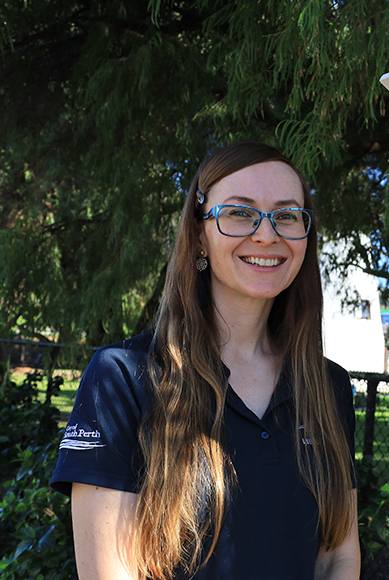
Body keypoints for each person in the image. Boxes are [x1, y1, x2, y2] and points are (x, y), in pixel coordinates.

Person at [50, 142, 360, 580]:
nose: (267, 235)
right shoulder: (122, 379)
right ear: (199, 234)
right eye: (240, 213)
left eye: (287, 216)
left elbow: (337, 555)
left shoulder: (330, 386)